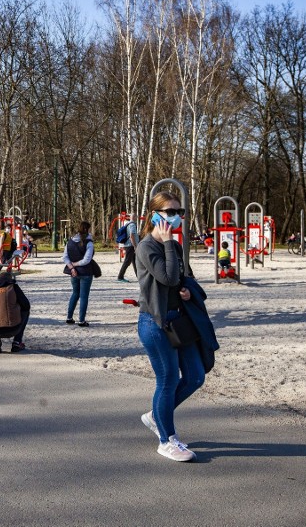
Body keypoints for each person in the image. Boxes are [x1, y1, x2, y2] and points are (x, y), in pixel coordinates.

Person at [135, 192, 204, 462]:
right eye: (170, 211)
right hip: (155, 322)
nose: (176, 216)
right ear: (154, 215)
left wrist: (187, 290)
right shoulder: (146, 247)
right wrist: (167, 243)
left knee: (196, 376)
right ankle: (167, 440)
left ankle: (156, 415)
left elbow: (184, 277)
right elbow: (167, 276)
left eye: (179, 211)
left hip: (178, 321)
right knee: (168, 380)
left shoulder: (172, 246)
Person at [0, 271, 29, 353]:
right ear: (10, 279)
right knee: (25, 311)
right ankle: (17, 342)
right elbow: (26, 305)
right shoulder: (13, 287)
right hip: (13, 328)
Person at [62, 220, 95, 327]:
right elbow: (87, 260)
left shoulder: (70, 241)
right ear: (88, 229)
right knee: (84, 296)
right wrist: (75, 265)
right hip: (85, 272)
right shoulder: (89, 242)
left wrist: (71, 268)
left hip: (74, 273)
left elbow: (65, 257)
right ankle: (81, 320)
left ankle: (69, 317)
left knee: (75, 293)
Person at [117, 214, 139, 282]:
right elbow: (131, 236)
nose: (137, 217)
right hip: (130, 246)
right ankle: (120, 277)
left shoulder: (127, 224)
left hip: (129, 245)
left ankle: (139, 276)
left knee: (135, 261)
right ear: (134, 217)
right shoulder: (132, 225)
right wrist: (135, 246)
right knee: (127, 261)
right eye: (136, 216)